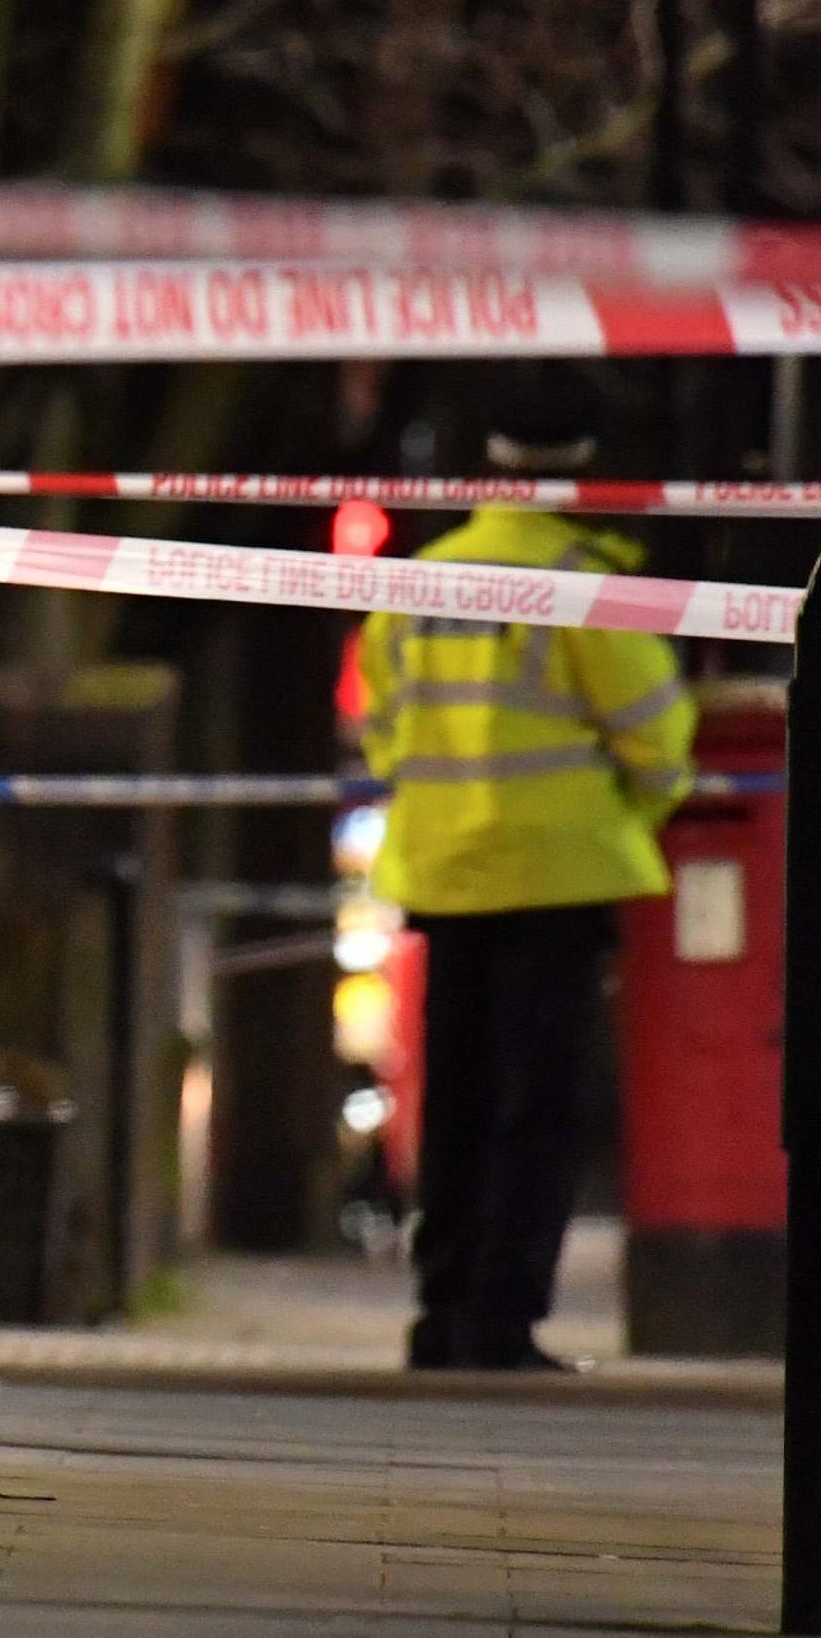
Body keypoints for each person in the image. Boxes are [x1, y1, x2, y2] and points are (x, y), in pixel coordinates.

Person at [358, 381, 695, 1372]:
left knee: (455, 1100)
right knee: (537, 1108)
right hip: (556, 878)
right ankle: (502, 1322)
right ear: (585, 473)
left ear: (491, 468)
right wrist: (629, 814)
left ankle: (442, 1311)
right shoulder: (587, 586)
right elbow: (659, 739)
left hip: (447, 871)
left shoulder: (421, 581)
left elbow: (383, 732)